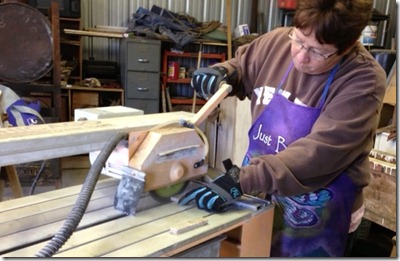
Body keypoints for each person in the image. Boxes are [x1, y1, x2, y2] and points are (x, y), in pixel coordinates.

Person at [178, 0, 387, 257]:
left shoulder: (363, 79)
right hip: (261, 189)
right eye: (298, 40)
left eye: (318, 52)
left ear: (346, 48)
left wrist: (241, 179)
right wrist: (224, 73)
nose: (301, 56)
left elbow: (320, 153)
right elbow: (243, 66)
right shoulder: (277, 42)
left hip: (320, 207)